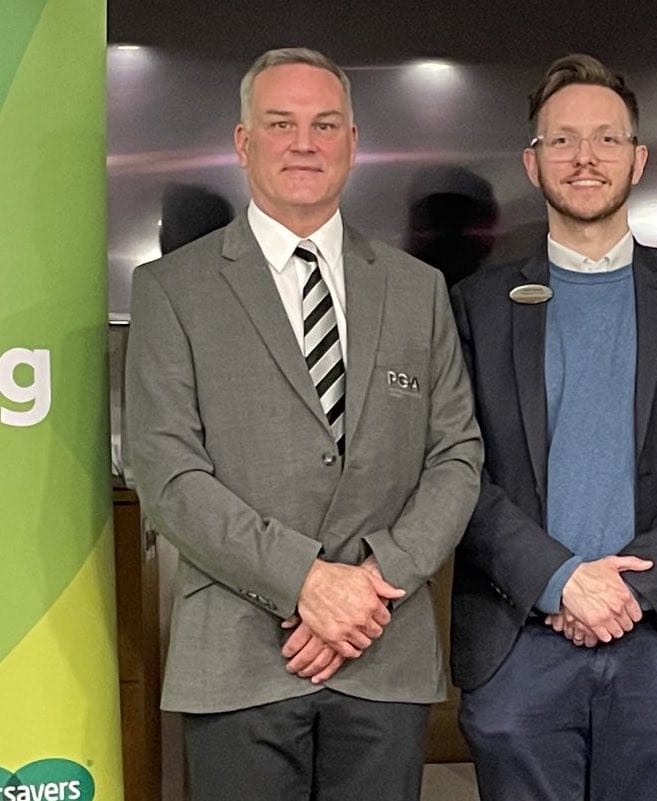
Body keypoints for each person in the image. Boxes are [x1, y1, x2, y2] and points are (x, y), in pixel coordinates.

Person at [124, 47, 482, 801]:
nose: (304, 143)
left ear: (353, 142)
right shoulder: (172, 290)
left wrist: (371, 586)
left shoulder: (418, 290)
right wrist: (306, 582)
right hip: (236, 661)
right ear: (243, 141)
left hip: (382, 650)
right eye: (280, 123)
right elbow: (169, 474)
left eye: (324, 124)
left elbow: (456, 455)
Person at [449, 53, 657, 801]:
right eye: (563, 140)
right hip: (517, 640)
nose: (585, 158)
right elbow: (452, 468)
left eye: (607, 139)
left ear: (638, 159)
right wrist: (560, 580)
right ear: (532, 162)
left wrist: (629, 591)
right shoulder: (474, 305)